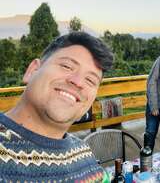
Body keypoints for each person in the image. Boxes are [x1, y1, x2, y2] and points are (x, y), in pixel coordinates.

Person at [0, 32, 114, 182]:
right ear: (32, 70)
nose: (78, 82)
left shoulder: (84, 153)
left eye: (90, 80)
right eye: (67, 66)